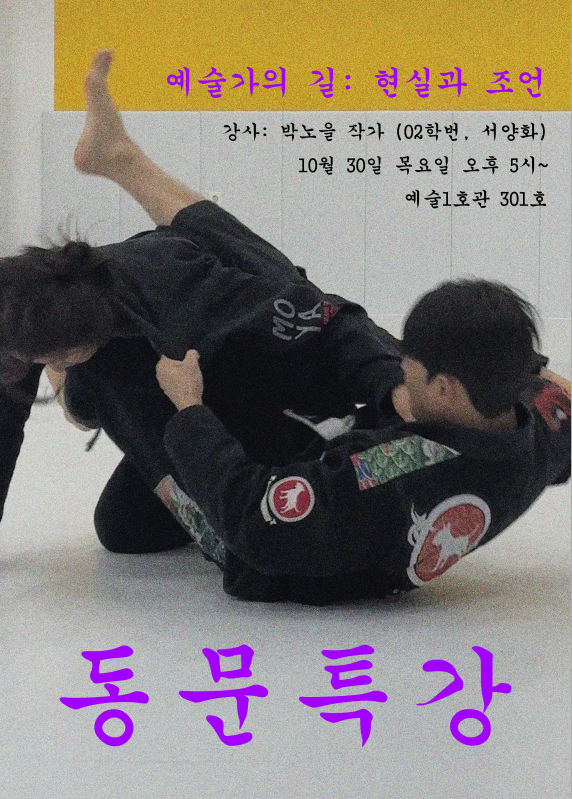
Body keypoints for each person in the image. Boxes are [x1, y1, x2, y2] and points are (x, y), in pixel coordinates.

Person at [0, 52, 569, 605]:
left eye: (412, 366)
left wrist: (191, 411)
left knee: (114, 379)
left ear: (446, 389)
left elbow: (257, 526)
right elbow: (548, 394)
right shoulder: (540, 429)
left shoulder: (381, 472)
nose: (403, 364)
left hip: (259, 547)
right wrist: (490, 366)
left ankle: (75, 374)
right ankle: (117, 168)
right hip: (304, 430)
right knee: (283, 309)